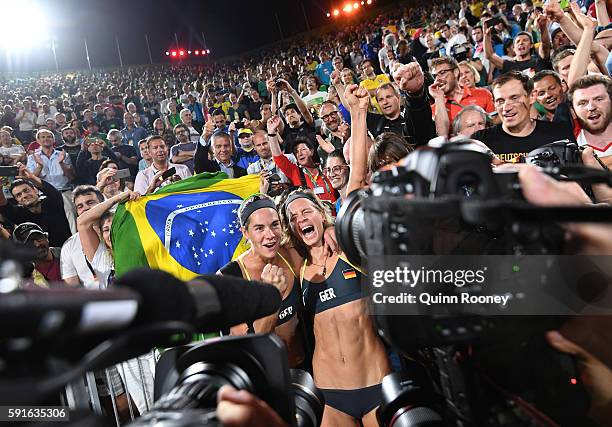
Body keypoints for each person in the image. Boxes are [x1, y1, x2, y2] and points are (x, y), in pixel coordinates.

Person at [280, 189, 390, 426]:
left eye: (306, 212)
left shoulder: (348, 250)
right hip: (330, 395)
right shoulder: (298, 269)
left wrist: (337, 228)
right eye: (293, 218)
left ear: (322, 214)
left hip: (376, 383)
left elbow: (360, 201)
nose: (301, 220)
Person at [219, 194, 305, 367]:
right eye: (259, 228)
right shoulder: (230, 279)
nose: (270, 235)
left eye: (274, 225)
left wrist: (330, 229)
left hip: (305, 371)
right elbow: (248, 346)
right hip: (266, 380)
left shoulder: (291, 254)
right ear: (245, 233)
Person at [472, 71, 575, 162]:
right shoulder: (481, 141)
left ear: (531, 97)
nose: (506, 108)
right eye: (500, 101)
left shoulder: (559, 135)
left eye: (514, 98)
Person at [268, 116, 338, 205]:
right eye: (296, 152)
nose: (299, 153)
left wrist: (332, 152)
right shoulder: (295, 172)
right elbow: (278, 157)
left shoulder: (326, 169)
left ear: (312, 151)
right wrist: (271, 133)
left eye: (303, 149)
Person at [0, 164, 72, 246]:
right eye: (18, 195)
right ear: (17, 201)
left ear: (35, 190)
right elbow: (3, 206)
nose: (24, 196)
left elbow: (53, 193)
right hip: (42, 255)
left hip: (67, 250)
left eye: (26, 190)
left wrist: (32, 178)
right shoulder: (19, 214)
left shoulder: (51, 202)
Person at [366, 63, 435, 146]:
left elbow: (417, 111)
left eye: (388, 97)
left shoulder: (409, 116)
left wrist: (415, 92)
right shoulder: (376, 123)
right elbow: (356, 111)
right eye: (381, 99)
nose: (385, 102)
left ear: (398, 98)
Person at [60, 185, 106, 287]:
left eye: (90, 203)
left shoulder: (116, 232)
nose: (85, 208)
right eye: (80, 206)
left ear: (102, 204)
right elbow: (72, 287)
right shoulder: (69, 245)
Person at [568, 75, 612, 165]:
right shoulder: (569, 148)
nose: (591, 107)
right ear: (572, 111)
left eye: (598, 99)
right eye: (582, 103)